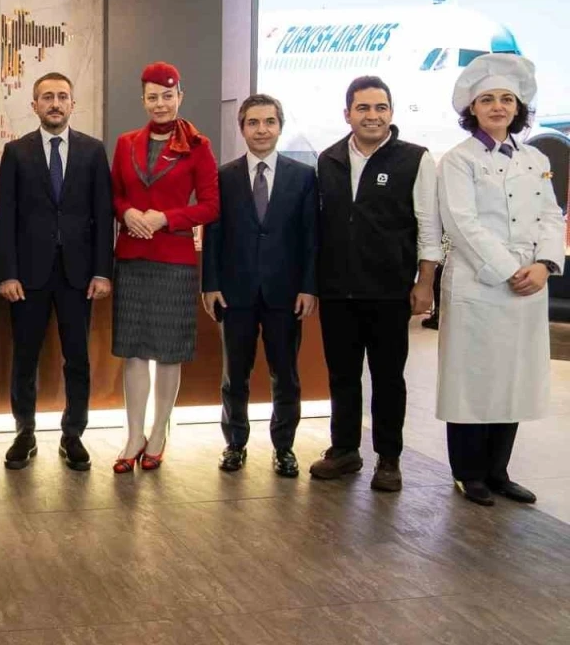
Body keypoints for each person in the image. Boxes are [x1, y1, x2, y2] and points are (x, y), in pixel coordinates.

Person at [436, 54, 563, 506]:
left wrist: (544, 264)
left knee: (513, 379)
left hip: (529, 284)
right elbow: (462, 223)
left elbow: (551, 214)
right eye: (487, 99)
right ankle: (468, 473)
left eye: (506, 99)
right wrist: (510, 270)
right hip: (480, 284)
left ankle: (498, 471)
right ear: (472, 108)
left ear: (518, 107)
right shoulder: (459, 160)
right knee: (473, 381)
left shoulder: (535, 158)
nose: (497, 107)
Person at [309, 76, 442, 492]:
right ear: (347, 113)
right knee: (342, 376)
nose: (372, 115)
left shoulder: (415, 159)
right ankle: (344, 450)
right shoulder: (329, 159)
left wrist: (425, 282)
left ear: (391, 112)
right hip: (337, 291)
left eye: (380, 107)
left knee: (388, 379)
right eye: (363, 108)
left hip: (389, 291)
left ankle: (389, 458)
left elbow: (429, 226)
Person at [0, 72, 113, 471]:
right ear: (35, 106)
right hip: (28, 276)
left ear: (72, 104)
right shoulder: (16, 152)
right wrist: (7, 273)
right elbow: (5, 218)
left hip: (79, 276)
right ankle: (24, 433)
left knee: (77, 358)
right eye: (47, 97)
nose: (55, 103)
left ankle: (73, 434)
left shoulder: (93, 151)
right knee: (25, 357)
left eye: (62, 96)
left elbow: (103, 215)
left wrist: (103, 271)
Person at [110, 62, 219, 473]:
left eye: (167, 96)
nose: (160, 104)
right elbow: (114, 194)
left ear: (180, 97)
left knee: (169, 352)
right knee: (134, 352)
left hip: (174, 261)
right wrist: (127, 212)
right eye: (153, 97)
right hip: (132, 258)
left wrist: (166, 218)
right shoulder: (126, 143)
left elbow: (210, 205)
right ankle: (133, 435)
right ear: (143, 100)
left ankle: (159, 433)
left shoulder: (199, 146)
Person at [201, 94, 317, 477]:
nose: (262, 129)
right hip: (235, 293)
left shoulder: (303, 177)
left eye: (269, 121)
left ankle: (284, 448)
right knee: (235, 375)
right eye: (253, 122)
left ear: (280, 127)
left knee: (286, 376)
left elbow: (310, 237)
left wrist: (308, 287)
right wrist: (210, 284)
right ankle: (235, 444)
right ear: (242, 128)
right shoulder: (223, 177)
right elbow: (213, 234)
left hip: (286, 294)